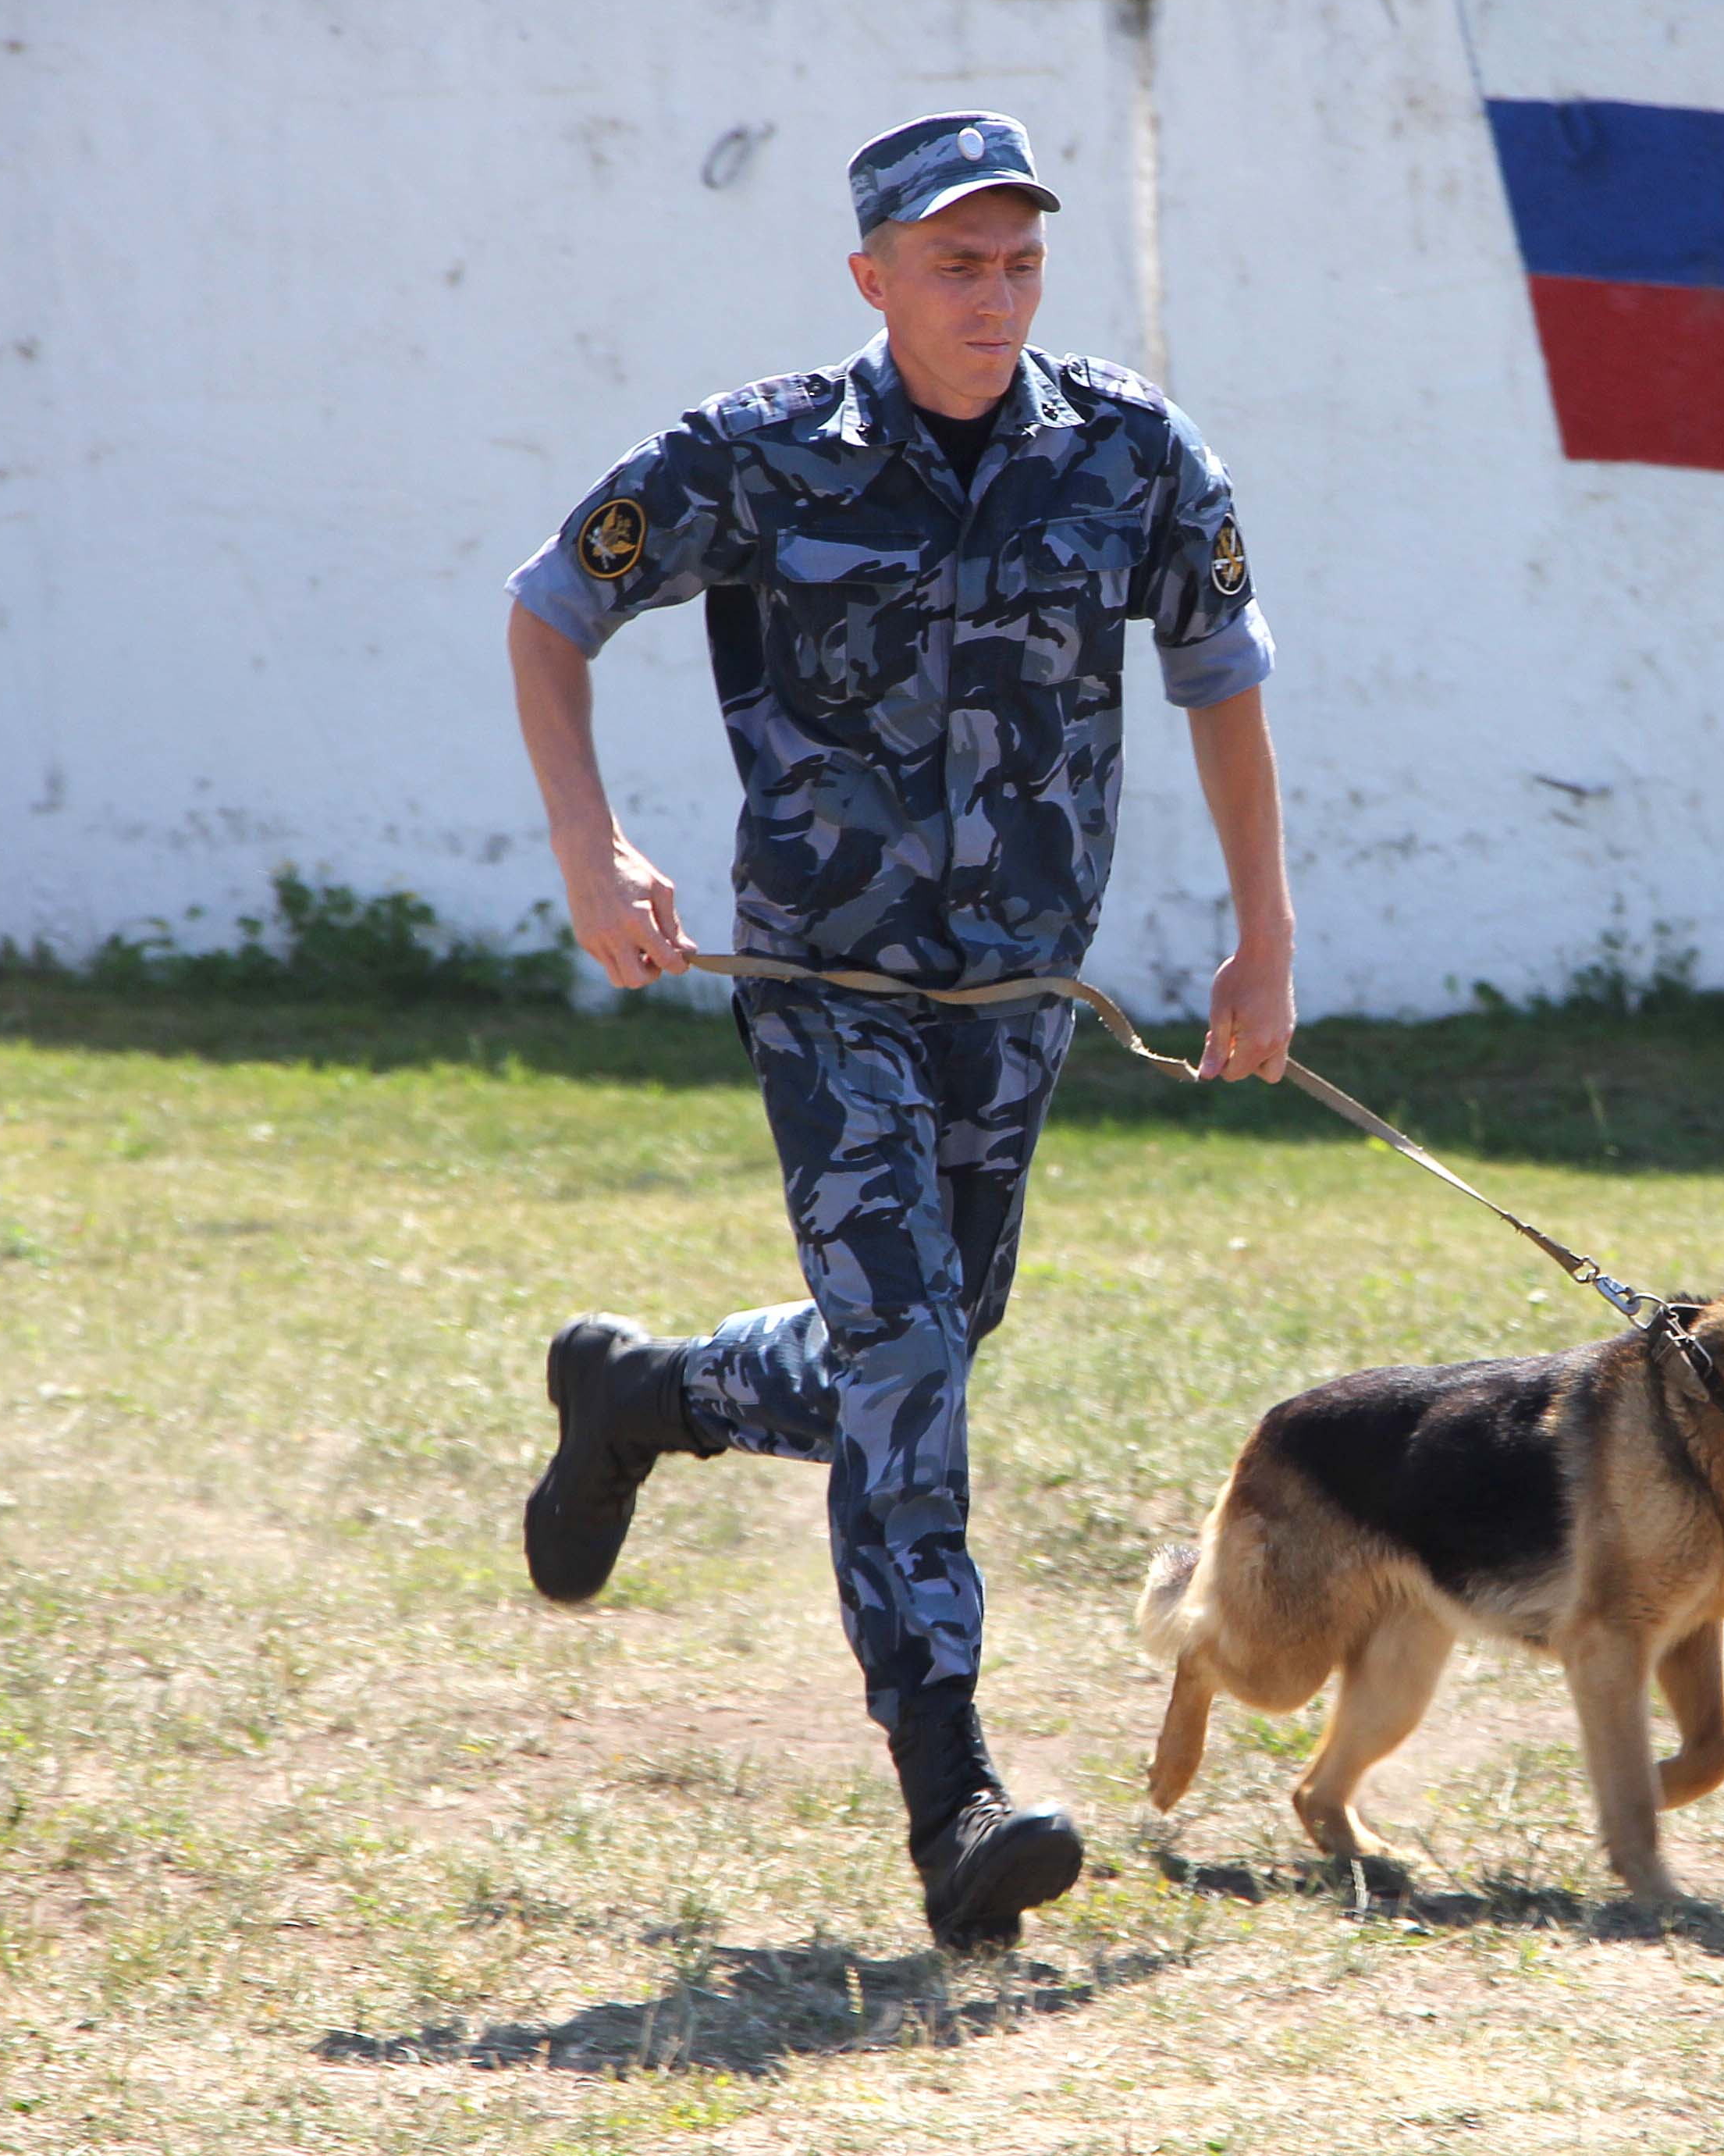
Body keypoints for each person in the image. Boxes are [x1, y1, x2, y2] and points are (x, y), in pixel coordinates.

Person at [499, 112, 1296, 1951]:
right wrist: (588, 839)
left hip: (1015, 992)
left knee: (927, 1335)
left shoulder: (1129, 451)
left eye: (1020, 261)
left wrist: (1265, 939)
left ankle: (652, 1395)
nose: (995, 295)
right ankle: (955, 1794)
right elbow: (554, 611)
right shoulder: (756, 455)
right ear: (873, 279)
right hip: (827, 983)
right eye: (956, 263)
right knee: (912, 1340)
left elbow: (1222, 678)